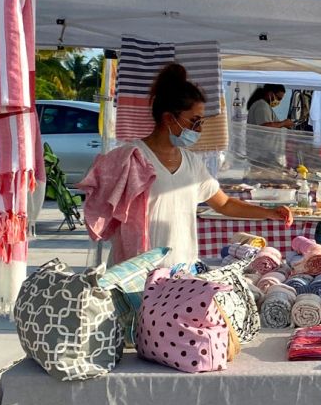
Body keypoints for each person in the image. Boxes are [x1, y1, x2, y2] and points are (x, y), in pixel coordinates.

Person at [87, 64, 292, 266]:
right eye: (195, 120)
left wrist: (269, 212)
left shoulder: (192, 162)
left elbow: (224, 204)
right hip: (133, 273)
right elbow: (100, 213)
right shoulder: (129, 158)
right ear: (169, 118)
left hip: (179, 274)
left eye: (201, 121)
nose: (199, 128)